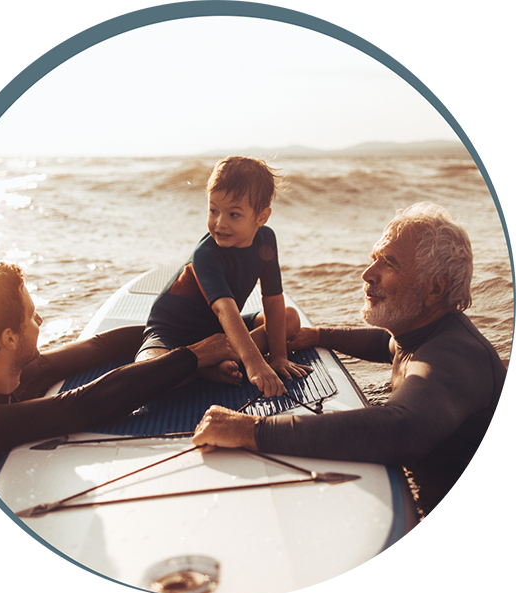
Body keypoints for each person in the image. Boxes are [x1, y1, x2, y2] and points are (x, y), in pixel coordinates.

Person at [192, 202, 506, 515]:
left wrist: (251, 430)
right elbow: (387, 344)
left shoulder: (453, 356)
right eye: (373, 260)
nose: (367, 274)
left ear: (435, 289)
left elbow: (401, 430)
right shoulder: (423, 334)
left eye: (389, 264)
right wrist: (319, 336)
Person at [0, 262, 240, 482]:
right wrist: (194, 356)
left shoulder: (13, 376)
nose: (39, 318)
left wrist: (235, 331)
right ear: (9, 338)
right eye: (29, 314)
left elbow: (101, 348)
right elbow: (85, 404)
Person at [136, 156, 310, 397]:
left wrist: (278, 357)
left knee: (289, 318)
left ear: (261, 217)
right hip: (173, 334)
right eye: (213, 210)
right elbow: (225, 310)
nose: (220, 223)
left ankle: (214, 361)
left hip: (220, 333)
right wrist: (255, 363)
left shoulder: (266, 240)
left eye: (234, 214)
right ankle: (202, 368)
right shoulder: (206, 254)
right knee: (146, 375)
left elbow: (273, 299)